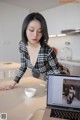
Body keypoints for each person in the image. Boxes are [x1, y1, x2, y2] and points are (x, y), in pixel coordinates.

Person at [0, 12, 70, 91]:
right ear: (25, 29)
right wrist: (13, 83)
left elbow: (57, 73)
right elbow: (23, 66)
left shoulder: (47, 51)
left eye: (40, 31)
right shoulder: (22, 45)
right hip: (46, 77)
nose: (35, 35)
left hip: (60, 73)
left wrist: (59, 86)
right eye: (31, 30)